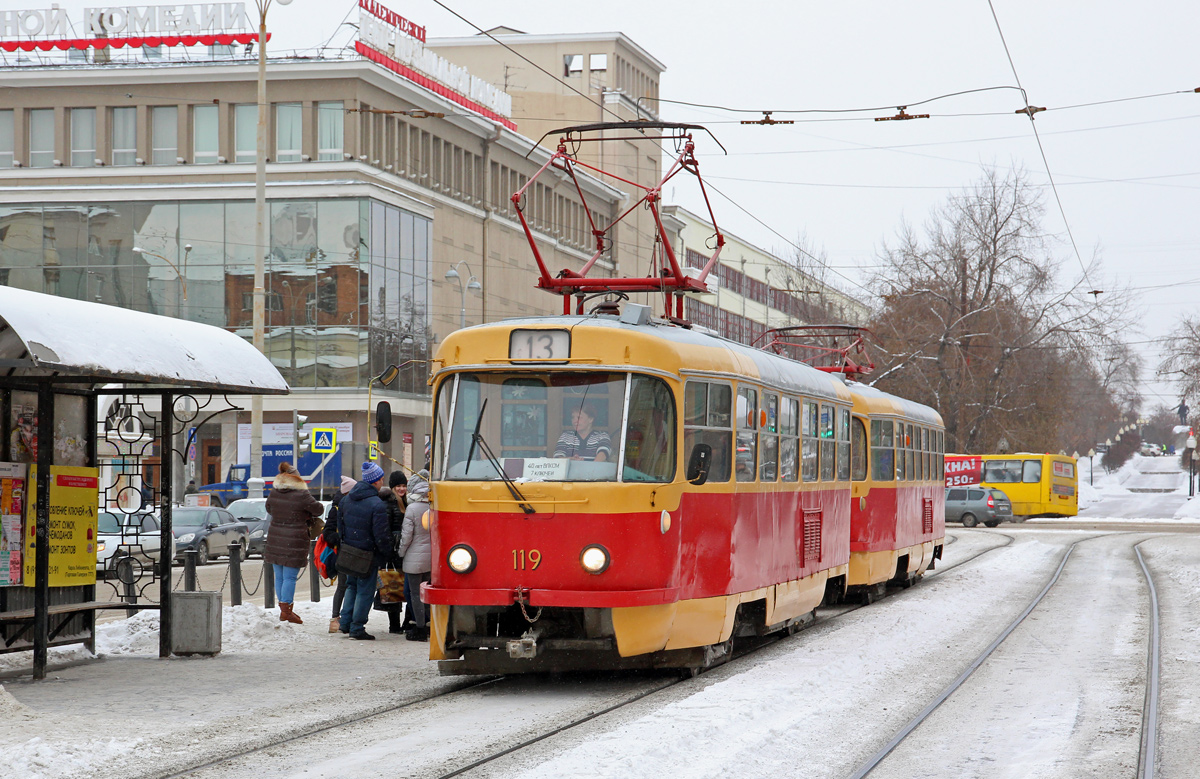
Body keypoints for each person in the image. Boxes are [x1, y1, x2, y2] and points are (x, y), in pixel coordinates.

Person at [264, 462, 323, 625]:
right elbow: (318, 509)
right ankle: (286, 611)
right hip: (294, 539)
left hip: (275, 538)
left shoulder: (274, 492)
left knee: (280, 576)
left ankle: (284, 609)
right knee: (290, 577)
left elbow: (269, 508)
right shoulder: (301, 494)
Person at [337, 461, 391, 640]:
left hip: (349, 551)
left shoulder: (346, 500)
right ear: (375, 481)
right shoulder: (377, 504)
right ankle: (357, 627)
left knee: (351, 586)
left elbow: (340, 527)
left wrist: (345, 544)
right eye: (381, 479)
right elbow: (381, 535)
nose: (382, 482)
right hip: (367, 554)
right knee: (365, 591)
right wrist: (386, 552)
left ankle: (345, 623)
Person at [397, 469, 432, 641]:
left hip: (413, 559)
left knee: (415, 594)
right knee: (428, 593)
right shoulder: (434, 507)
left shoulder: (411, 509)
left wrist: (401, 553)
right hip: (431, 558)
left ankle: (420, 628)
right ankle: (431, 625)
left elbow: (406, 537)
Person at [323, 475, 357, 633]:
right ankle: (335, 618)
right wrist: (341, 539)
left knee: (347, 585)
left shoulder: (350, 505)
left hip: (350, 550)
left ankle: (344, 618)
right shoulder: (336, 508)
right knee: (344, 585)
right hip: (342, 552)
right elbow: (327, 533)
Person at [377, 470, 408, 634]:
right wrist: (389, 549)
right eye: (398, 486)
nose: (401, 489)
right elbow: (386, 529)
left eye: (404, 486)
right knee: (393, 586)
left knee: (405, 587)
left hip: (404, 550)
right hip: (393, 551)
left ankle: (407, 622)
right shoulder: (388, 503)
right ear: (392, 487)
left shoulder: (407, 502)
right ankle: (394, 625)